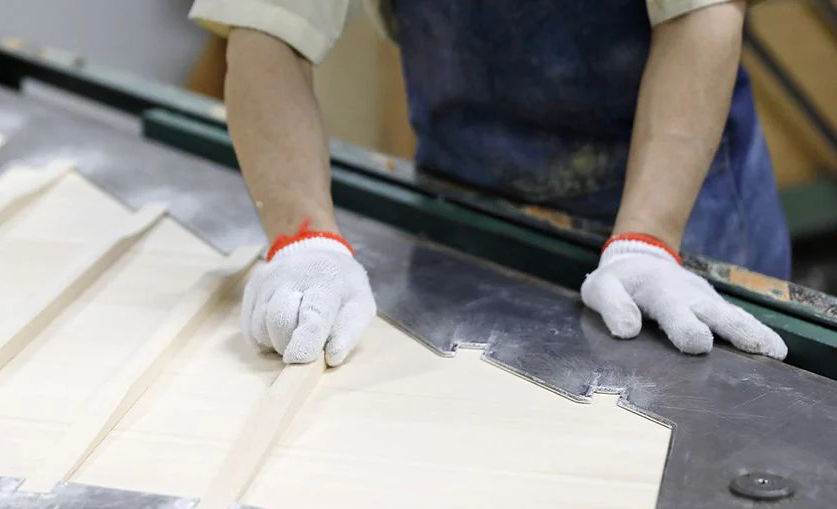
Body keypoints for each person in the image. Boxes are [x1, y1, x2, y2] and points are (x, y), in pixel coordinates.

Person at [188, 0, 790, 366]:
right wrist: (303, 240)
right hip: (465, 209)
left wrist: (647, 241)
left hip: (676, 213)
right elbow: (266, 31)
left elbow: (702, 17)